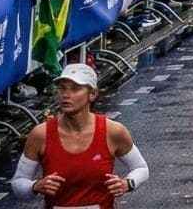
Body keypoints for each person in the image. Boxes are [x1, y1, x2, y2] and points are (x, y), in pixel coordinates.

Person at [10, 64, 148, 206]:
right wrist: (35, 186)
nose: (66, 95)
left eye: (75, 89)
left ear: (92, 94)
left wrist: (128, 183)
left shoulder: (113, 131)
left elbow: (141, 168)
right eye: (62, 88)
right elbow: (18, 183)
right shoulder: (41, 134)